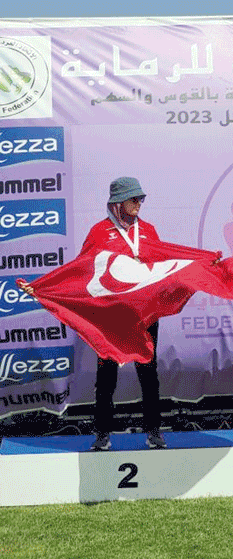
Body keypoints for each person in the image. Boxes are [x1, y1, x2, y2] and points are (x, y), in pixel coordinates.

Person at [21, 177, 166, 451]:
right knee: (106, 377)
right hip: (111, 318)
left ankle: (154, 432)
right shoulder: (99, 232)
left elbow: (165, 263)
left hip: (143, 315)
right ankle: (102, 436)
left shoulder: (148, 230)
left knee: (149, 374)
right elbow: (80, 269)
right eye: (134, 199)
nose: (139, 204)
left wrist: (204, 264)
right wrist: (42, 286)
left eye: (140, 199)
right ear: (118, 203)